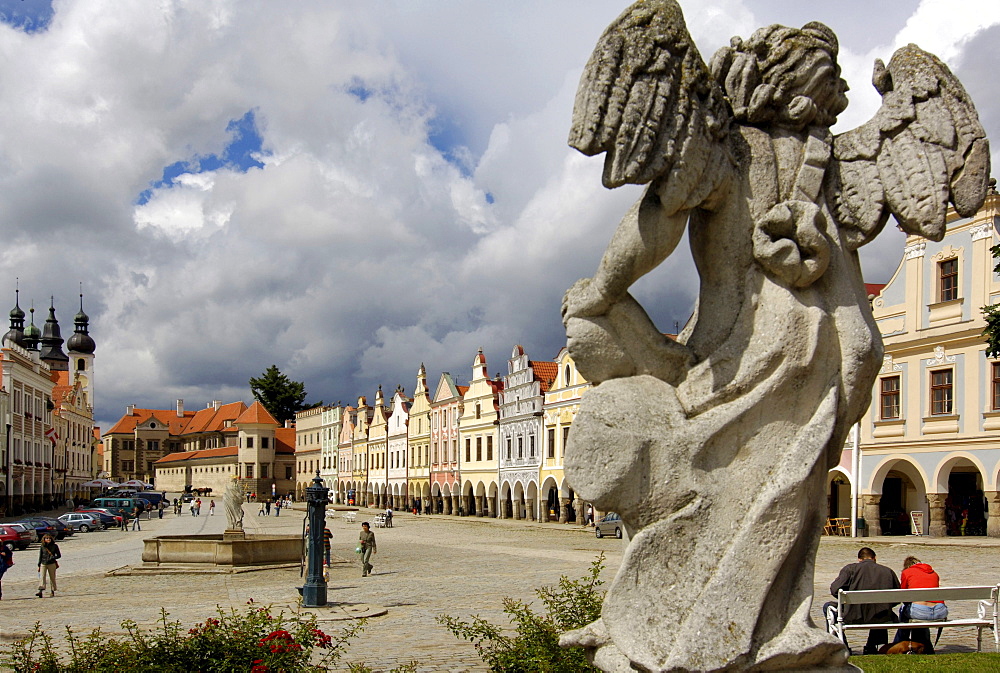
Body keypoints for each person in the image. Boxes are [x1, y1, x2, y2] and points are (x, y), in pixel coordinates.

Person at [825, 547, 900, 654]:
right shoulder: (887, 571)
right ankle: (872, 646)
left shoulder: (850, 569)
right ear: (874, 558)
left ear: (859, 559)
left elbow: (835, 589)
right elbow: (897, 597)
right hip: (880, 616)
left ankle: (842, 646)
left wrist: (847, 601)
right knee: (880, 608)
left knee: (827, 606)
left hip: (852, 615)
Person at [894, 555, 947, 654]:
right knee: (922, 612)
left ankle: (900, 643)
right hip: (940, 610)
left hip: (920, 612)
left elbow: (903, 596)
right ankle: (926, 645)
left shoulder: (907, 572)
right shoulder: (934, 573)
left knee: (904, 609)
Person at [36, 533, 61, 598]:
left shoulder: (55, 546)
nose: (48, 539)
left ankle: (52, 591)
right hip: (43, 563)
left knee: (52, 577)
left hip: (52, 563)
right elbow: (40, 556)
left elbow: (59, 555)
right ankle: (40, 591)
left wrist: (54, 558)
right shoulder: (42, 546)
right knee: (42, 577)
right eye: (47, 538)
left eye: (49, 538)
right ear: (44, 539)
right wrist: (39, 565)